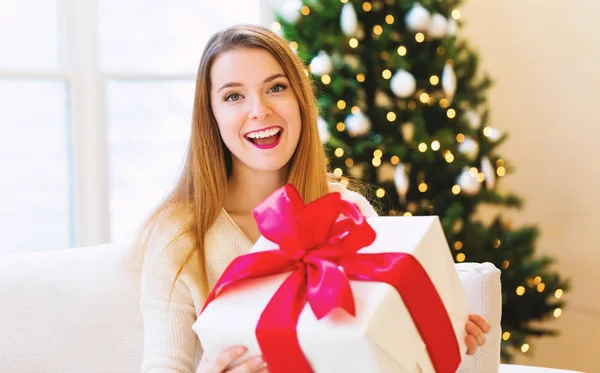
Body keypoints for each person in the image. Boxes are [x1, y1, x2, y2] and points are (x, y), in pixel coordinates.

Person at [139, 24, 491, 373]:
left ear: (300, 102)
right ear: (211, 116)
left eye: (276, 88)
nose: (259, 110)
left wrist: (438, 336)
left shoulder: (348, 212)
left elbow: (380, 339)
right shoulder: (181, 236)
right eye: (234, 96)